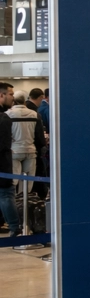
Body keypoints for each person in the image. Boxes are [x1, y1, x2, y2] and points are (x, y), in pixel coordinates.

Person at [8, 91, 44, 199]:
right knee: (28, 183)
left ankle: (14, 204)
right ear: (25, 100)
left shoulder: (7, 114)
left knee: (13, 182)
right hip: (30, 151)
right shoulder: (35, 114)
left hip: (14, 151)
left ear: (13, 101)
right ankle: (25, 205)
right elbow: (40, 138)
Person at [0, 84, 20, 237]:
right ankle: (15, 227)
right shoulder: (3, 118)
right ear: (1, 95)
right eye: (10, 94)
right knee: (6, 195)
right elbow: (4, 145)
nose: (13, 97)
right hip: (2, 164)